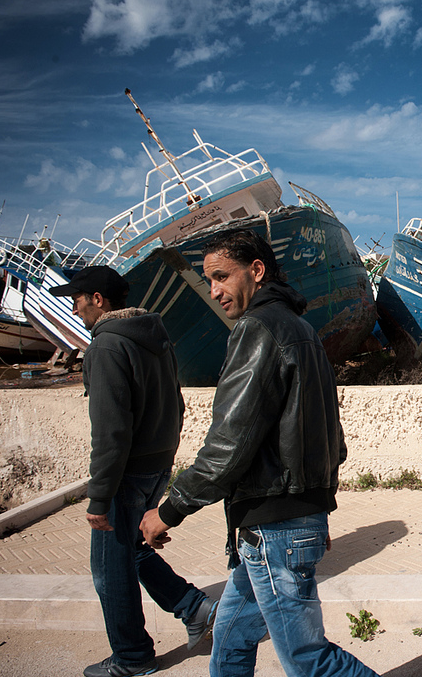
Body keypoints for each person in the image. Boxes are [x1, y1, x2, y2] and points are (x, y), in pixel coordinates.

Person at [139, 229, 378, 677]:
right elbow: (333, 441)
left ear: (257, 271)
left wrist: (168, 510)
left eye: (221, 277)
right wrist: (315, 509)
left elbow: (228, 446)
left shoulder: (258, 329)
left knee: (307, 658)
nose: (214, 290)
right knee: (229, 639)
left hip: (274, 528)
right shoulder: (304, 330)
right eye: (209, 280)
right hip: (279, 525)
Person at [51, 266, 217, 677]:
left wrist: (100, 496)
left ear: (98, 299)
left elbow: (110, 431)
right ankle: (193, 607)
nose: (75, 306)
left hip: (126, 474)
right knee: (132, 550)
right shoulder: (155, 338)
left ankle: (132, 656)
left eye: (78, 297)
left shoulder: (106, 347)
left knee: (110, 569)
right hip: (156, 467)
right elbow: (176, 407)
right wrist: (163, 461)